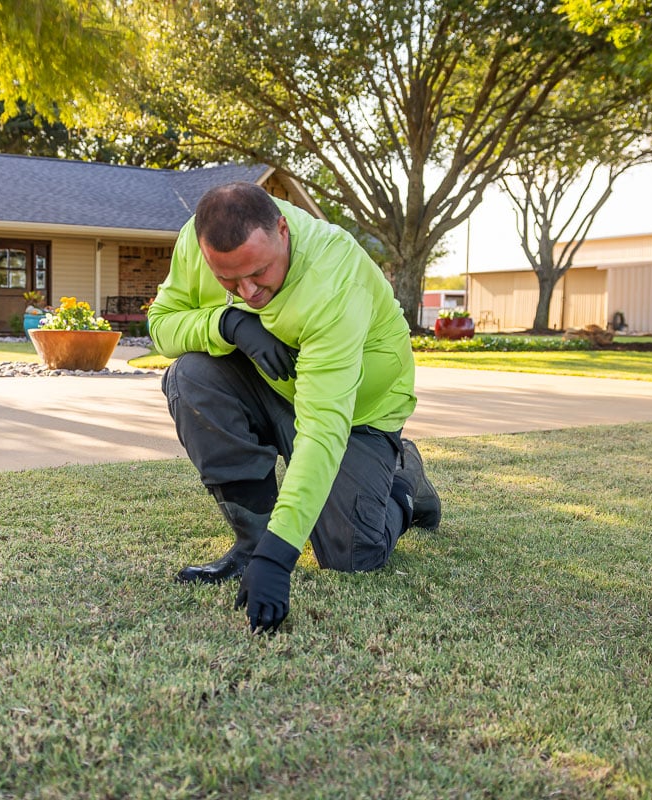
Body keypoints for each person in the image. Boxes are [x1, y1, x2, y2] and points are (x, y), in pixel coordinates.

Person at [147, 182, 441, 633]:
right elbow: (163, 325)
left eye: (259, 273)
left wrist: (279, 555)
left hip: (358, 414)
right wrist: (228, 323)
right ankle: (250, 541)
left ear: (282, 230)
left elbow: (323, 425)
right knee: (190, 376)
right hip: (274, 386)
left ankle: (405, 479)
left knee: (352, 556)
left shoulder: (333, 275)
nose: (247, 291)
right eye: (228, 280)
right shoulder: (196, 238)